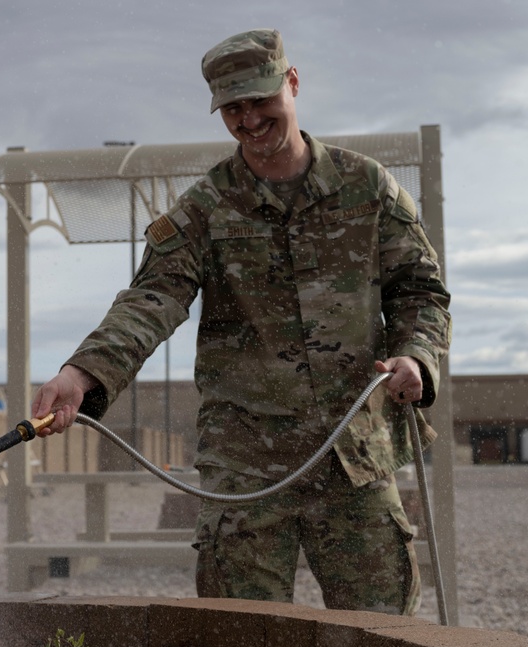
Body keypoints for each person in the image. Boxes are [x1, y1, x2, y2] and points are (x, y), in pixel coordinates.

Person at [31, 28, 451, 616]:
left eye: (261, 101)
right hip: (246, 469)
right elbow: (152, 298)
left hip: (353, 456)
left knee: (380, 637)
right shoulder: (205, 208)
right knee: (241, 638)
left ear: (293, 82)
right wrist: (83, 373)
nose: (250, 120)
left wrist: (416, 357)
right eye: (233, 108)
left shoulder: (368, 187)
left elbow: (420, 291)